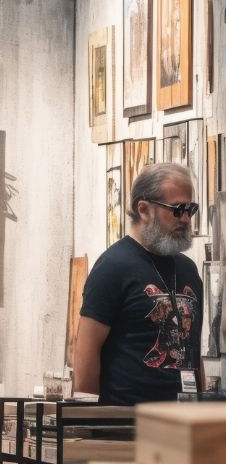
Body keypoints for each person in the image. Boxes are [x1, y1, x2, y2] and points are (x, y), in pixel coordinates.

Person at [74, 162, 203, 404]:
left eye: (190, 209)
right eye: (176, 209)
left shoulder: (188, 269)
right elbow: (86, 351)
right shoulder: (113, 266)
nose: (185, 218)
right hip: (127, 426)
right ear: (144, 209)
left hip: (184, 425)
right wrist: (88, 424)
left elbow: (193, 349)